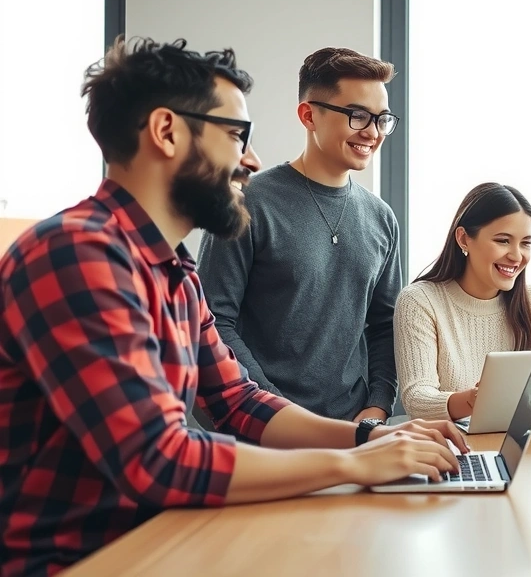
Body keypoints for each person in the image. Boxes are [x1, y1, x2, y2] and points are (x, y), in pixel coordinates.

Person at [0, 37, 466, 575]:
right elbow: (158, 458)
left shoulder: (174, 270)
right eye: (234, 135)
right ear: (166, 132)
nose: (252, 159)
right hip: (75, 561)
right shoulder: (77, 255)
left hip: (160, 541)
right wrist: (354, 463)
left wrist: (371, 437)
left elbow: (238, 401)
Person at [196, 47, 402, 423]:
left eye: (382, 119)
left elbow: (384, 325)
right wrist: (279, 412)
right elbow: (214, 321)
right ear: (309, 115)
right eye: (357, 116)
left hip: (355, 431)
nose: (373, 133)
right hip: (266, 428)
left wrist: (378, 406)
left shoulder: (381, 219)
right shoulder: (247, 203)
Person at [395, 183, 531, 420]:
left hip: (519, 438)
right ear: (463, 239)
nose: (516, 256)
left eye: (525, 243)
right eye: (503, 240)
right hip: (449, 439)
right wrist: (472, 400)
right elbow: (417, 398)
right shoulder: (419, 301)